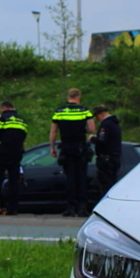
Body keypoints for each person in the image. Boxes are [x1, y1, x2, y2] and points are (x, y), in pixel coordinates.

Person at [50, 88, 95, 217]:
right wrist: (82, 130)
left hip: (66, 148)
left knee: (70, 178)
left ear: (68, 97)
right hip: (81, 148)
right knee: (81, 178)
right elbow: (92, 128)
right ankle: (82, 208)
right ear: (78, 97)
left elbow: (53, 132)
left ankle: (70, 208)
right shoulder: (84, 110)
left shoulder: (59, 111)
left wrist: (52, 147)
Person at [0, 100, 28, 215]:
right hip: (16, 153)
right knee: (14, 181)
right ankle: (13, 208)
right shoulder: (22, 120)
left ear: (3, 108)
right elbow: (23, 135)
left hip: (2, 153)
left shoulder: (2, 119)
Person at [90, 105, 122, 199]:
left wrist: (93, 139)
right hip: (114, 157)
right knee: (112, 183)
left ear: (102, 114)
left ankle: (107, 204)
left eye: (97, 116)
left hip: (106, 159)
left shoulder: (106, 124)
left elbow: (102, 141)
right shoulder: (115, 124)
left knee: (106, 185)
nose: (97, 119)